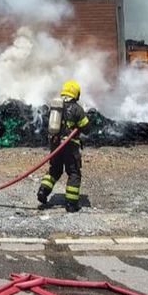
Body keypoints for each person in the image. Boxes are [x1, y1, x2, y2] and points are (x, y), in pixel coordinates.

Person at [37, 80, 92, 212]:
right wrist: (88, 117)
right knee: (74, 173)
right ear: (75, 93)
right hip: (70, 146)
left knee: (55, 169)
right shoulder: (76, 108)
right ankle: (71, 204)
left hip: (55, 144)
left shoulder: (56, 106)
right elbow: (86, 128)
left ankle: (43, 191)